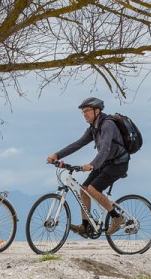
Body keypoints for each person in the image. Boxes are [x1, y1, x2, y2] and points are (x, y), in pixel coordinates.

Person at [46, 97, 129, 237]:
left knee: (93, 189)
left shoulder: (108, 125)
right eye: (82, 112)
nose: (84, 114)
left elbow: (105, 150)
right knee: (84, 190)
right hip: (105, 163)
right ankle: (85, 226)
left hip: (118, 163)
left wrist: (92, 165)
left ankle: (117, 217)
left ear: (97, 111)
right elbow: (78, 144)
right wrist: (57, 155)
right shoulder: (93, 128)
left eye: (87, 111)